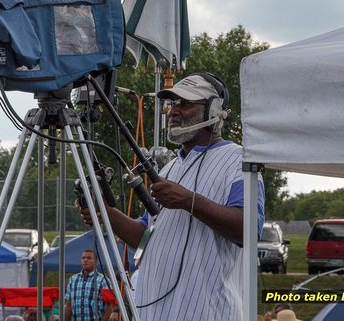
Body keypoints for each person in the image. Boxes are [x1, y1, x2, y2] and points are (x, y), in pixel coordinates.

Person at [80, 73, 265, 321]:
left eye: (185, 104)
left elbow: (249, 230)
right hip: (153, 312)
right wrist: (104, 212)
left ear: (214, 110)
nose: (173, 111)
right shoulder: (168, 170)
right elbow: (144, 237)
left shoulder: (238, 161)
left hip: (208, 313)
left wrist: (189, 201)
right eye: (172, 104)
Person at [64, 250, 113, 321]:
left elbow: (110, 306)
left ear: (96, 261)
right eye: (83, 258)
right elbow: (69, 305)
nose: (85, 260)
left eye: (89, 258)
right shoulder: (73, 279)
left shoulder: (103, 280)